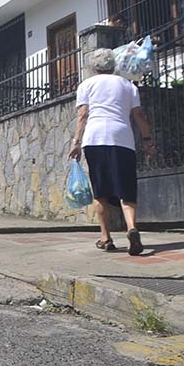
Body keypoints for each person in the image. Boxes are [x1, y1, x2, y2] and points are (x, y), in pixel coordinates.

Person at [68, 48, 155, 255]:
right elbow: (139, 115)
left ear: (93, 67)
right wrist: (147, 140)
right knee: (127, 190)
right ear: (113, 65)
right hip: (122, 139)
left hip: (95, 139)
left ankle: (106, 237)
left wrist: (76, 142)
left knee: (101, 191)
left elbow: (82, 115)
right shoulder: (128, 86)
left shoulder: (86, 85)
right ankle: (132, 227)